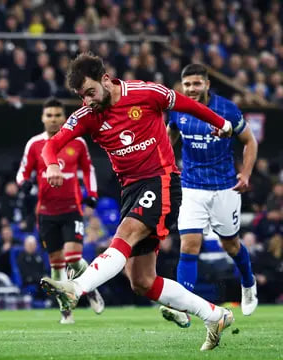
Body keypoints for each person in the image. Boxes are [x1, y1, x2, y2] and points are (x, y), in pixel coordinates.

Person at [39, 53, 235, 351]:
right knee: (142, 280)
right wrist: (52, 164)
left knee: (126, 234)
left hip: (162, 180)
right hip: (130, 190)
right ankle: (215, 315)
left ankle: (76, 289)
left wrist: (221, 122)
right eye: (82, 96)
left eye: (91, 92)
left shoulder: (146, 93)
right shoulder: (86, 115)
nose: (88, 100)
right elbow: (51, 145)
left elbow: (188, 104)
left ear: (106, 79)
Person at [160, 64, 259, 327]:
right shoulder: (177, 108)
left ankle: (248, 283)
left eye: (196, 84)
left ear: (207, 85)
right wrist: (166, 165)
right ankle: (184, 307)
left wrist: (246, 174)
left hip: (225, 188)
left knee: (231, 246)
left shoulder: (227, 109)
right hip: (192, 187)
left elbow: (250, 141)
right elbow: (170, 135)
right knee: (188, 245)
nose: (192, 89)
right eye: (187, 84)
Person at [16, 97, 104, 324]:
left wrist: (92, 194)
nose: (53, 120)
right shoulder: (34, 144)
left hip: (72, 209)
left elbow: (88, 170)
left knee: (73, 259)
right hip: (45, 212)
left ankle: (89, 287)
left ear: (64, 118)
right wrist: (24, 183)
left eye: (57, 115)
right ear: (43, 118)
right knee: (56, 263)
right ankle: (66, 310)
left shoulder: (77, 143)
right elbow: (22, 172)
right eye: (49, 115)